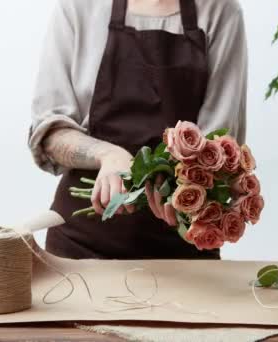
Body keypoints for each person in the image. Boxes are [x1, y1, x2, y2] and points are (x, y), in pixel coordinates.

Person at [28, 0, 247, 260]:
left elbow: (219, 146)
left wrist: (173, 185)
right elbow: (50, 135)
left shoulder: (220, 11)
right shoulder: (79, 7)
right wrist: (109, 156)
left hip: (181, 248)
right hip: (81, 247)